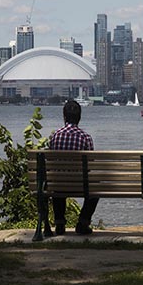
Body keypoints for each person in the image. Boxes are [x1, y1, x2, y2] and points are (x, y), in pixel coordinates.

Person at [49, 99, 98, 235]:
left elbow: (51, 161)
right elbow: (91, 163)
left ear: (64, 117)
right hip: (81, 185)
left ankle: (59, 222)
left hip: (58, 184)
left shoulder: (55, 136)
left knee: (57, 182)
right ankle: (83, 222)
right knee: (95, 190)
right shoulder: (85, 137)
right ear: (79, 117)